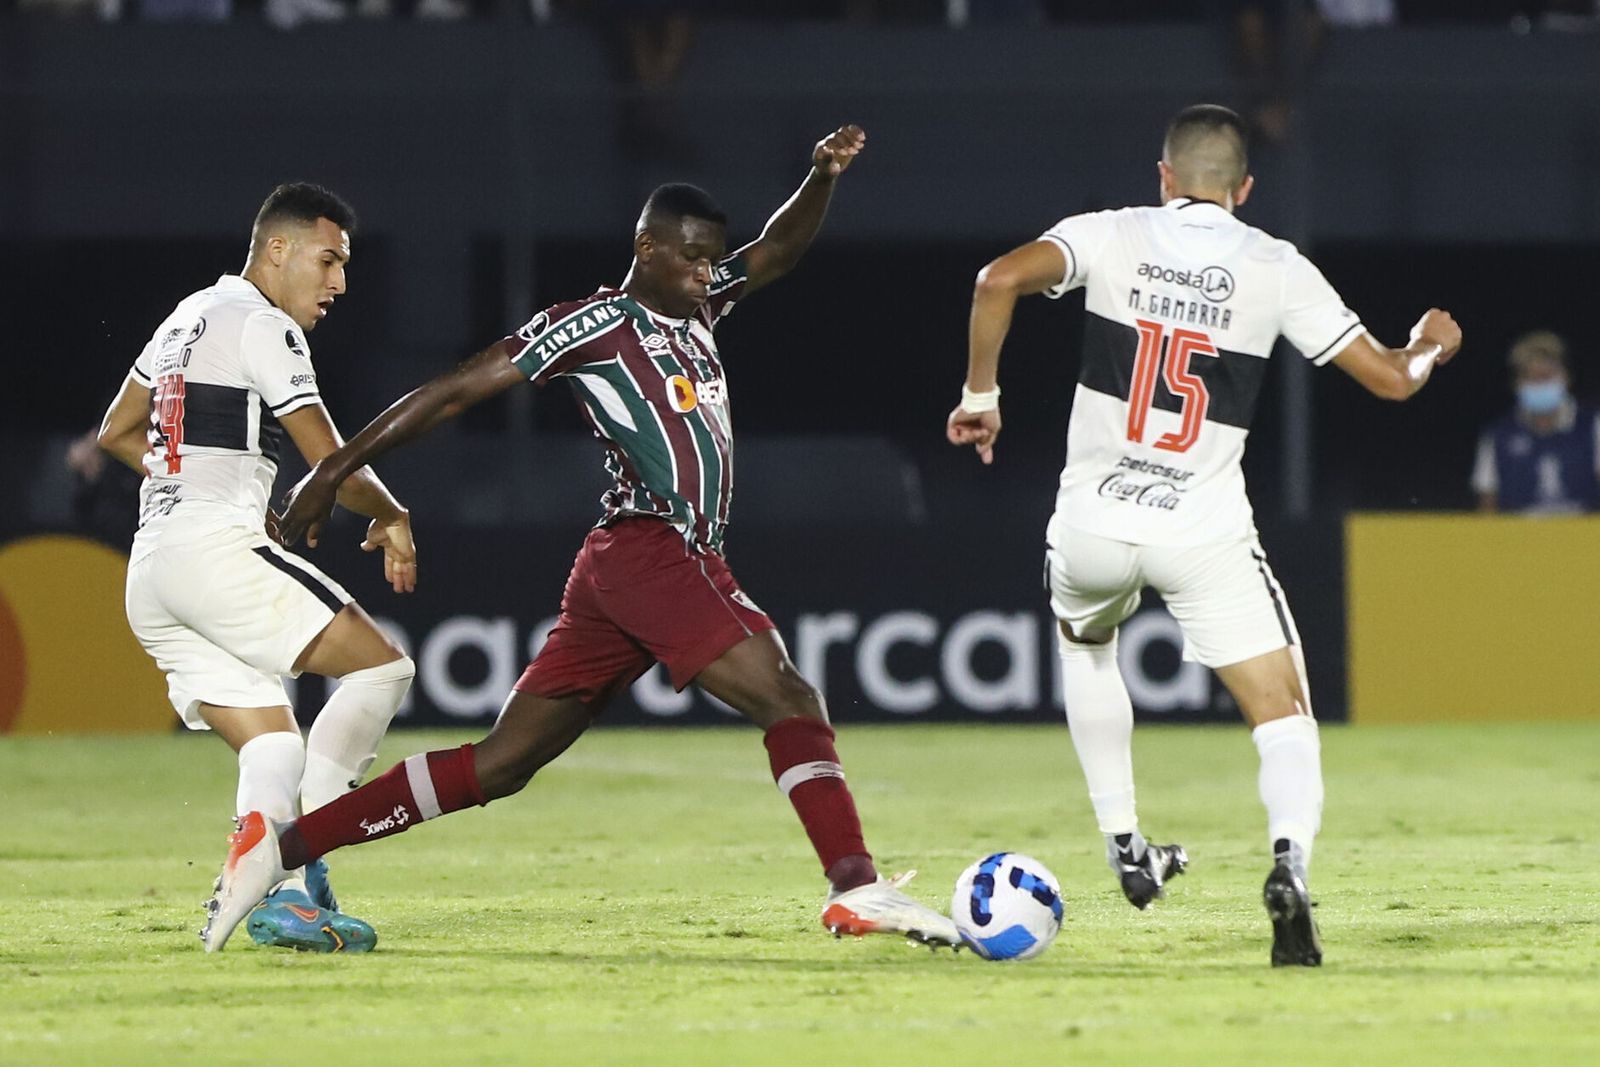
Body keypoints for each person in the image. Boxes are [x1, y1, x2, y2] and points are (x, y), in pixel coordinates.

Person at [200, 126, 964, 955]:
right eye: (694, 259)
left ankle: (277, 851)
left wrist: (819, 176)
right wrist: (330, 474)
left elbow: (774, 250)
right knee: (791, 697)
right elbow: (453, 392)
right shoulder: (596, 324)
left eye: (714, 261)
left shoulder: (702, 301)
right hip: (653, 549)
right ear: (648, 247)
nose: (710, 273)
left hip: (616, 570)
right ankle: (855, 887)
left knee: (502, 763)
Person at [946, 104, 1461, 967]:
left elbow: (996, 279)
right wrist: (1426, 347)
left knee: (1084, 643)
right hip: (1202, 527)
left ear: (1163, 176)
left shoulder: (1110, 234)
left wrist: (981, 396)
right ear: (1245, 189)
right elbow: (1389, 381)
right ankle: (1289, 862)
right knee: (1282, 711)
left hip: (1095, 519)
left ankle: (1124, 843)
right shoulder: (1273, 265)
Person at [96, 183, 419, 954]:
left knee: (274, 743)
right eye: (328, 259)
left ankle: (278, 904)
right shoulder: (261, 324)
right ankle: (302, 866)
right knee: (384, 672)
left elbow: (116, 431)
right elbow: (328, 454)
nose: (338, 282)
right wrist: (390, 513)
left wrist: (188, 478)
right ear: (277, 248)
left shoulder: (186, 316)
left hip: (153, 569)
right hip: (212, 549)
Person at [1472, 330, 1599, 514]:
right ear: (1517, 384)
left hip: (1585, 536)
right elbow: (1488, 504)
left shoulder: (1592, 426)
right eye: (1532, 378)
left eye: (1546, 376)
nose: (1540, 384)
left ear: (1566, 377)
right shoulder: (1499, 434)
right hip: (1520, 538)